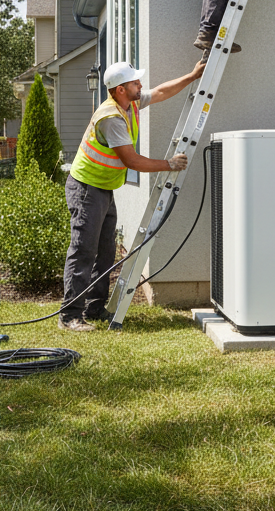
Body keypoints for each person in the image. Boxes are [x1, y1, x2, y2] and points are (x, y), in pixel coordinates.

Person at [59, 57, 206, 331]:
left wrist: (192, 76)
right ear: (120, 89)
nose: (141, 84)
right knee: (84, 250)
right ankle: (70, 316)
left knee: (105, 250)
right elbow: (131, 161)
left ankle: (94, 308)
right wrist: (168, 164)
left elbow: (161, 92)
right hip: (87, 189)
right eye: (135, 82)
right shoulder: (111, 118)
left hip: (102, 187)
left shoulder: (130, 104)